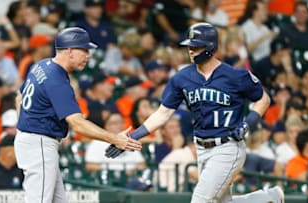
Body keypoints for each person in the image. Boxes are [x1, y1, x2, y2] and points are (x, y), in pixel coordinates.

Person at [105, 23, 284, 203]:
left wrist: (248, 123)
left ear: (211, 47)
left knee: (200, 200)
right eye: (189, 46)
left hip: (228, 146)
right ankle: (268, 199)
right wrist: (133, 136)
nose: (191, 50)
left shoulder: (235, 75)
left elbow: (263, 99)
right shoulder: (181, 78)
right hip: (201, 148)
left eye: (196, 46)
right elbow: (163, 114)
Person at [14, 27, 142, 203]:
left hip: (32, 140)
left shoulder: (42, 65)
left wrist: (24, 129)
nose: (88, 56)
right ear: (69, 51)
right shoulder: (57, 79)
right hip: (39, 143)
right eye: (84, 50)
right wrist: (114, 138)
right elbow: (77, 123)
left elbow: (19, 98)